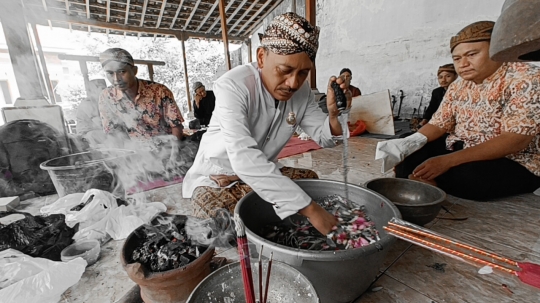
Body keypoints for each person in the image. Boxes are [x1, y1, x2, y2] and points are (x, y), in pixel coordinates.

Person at [182, 12, 351, 235]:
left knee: (311, 180)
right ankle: (269, 206)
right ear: (261, 57)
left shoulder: (301, 92)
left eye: (303, 73)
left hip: (261, 170)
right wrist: (310, 209)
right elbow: (243, 157)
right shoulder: (233, 86)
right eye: (285, 70)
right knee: (209, 216)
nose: (293, 83)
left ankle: (264, 204)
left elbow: (324, 137)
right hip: (219, 176)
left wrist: (332, 116)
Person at [376, 21, 540, 200]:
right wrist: (407, 144)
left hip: (515, 159)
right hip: (461, 146)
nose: (463, 64)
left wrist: (448, 161)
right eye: (457, 58)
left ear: (496, 50)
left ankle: (425, 185)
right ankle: (425, 183)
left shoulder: (526, 78)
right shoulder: (458, 85)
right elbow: (439, 124)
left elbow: (515, 140)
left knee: (473, 176)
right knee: (408, 147)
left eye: (472, 54)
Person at [98, 48, 184, 148]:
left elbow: (176, 126)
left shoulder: (160, 91)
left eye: (122, 71)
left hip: (167, 149)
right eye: (110, 73)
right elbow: (112, 133)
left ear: (134, 71)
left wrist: (174, 156)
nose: (116, 79)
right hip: (136, 153)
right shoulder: (106, 97)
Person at [76, 79, 108, 148]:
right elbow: (100, 123)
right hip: (86, 136)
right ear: (93, 90)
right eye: (102, 88)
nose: (106, 91)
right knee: (114, 136)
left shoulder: (101, 101)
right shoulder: (88, 103)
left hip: (97, 133)